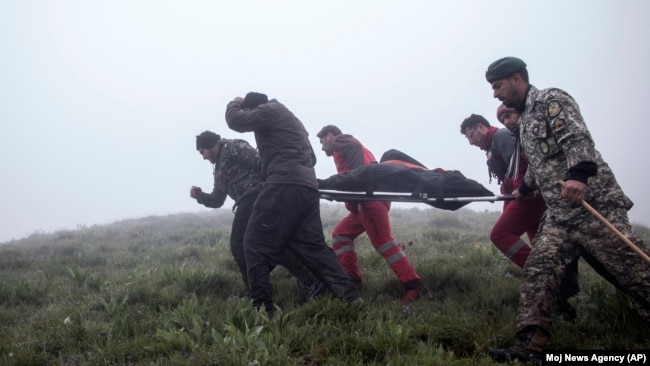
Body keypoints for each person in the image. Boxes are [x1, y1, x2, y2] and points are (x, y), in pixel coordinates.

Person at [484, 56, 650, 363]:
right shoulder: (523, 122)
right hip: (560, 216)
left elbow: (577, 140)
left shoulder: (551, 100)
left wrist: (579, 176)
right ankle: (530, 346)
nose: (495, 94)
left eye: (498, 86)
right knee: (540, 270)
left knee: (632, 270)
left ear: (517, 78)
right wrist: (525, 188)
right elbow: (540, 162)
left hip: (592, 205)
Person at [225, 92, 362, 315]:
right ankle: (351, 296)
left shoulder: (269, 110)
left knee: (252, 243)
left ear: (254, 108)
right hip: (306, 188)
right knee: (314, 247)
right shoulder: (293, 121)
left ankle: (262, 309)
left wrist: (235, 103)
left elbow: (235, 121)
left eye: (250, 112)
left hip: (283, 185)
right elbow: (312, 158)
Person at [190, 131, 325, 300]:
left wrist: (278, 188)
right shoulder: (218, 169)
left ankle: (256, 293)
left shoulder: (234, 146)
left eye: (202, 151)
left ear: (211, 145)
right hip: (248, 200)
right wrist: (201, 196)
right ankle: (312, 281)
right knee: (273, 245)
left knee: (239, 244)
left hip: (258, 195)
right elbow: (217, 200)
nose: (203, 157)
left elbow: (262, 163)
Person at [316, 125, 432, 303]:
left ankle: (414, 285)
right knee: (340, 234)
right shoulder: (348, 150)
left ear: (330, 136)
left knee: (383, 242)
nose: (322, 146)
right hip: (364, 203)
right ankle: (352, 281)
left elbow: (356, 172)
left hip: (369, 203)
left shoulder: (341, 141)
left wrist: (353, 177)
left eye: (322, 141)